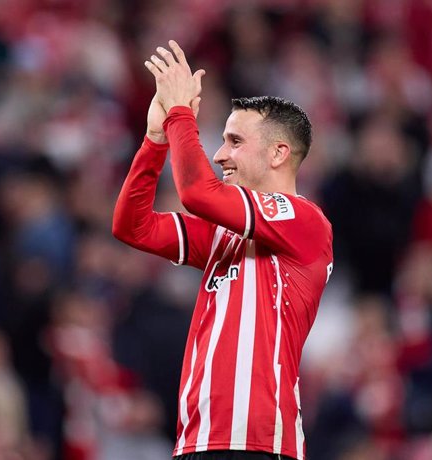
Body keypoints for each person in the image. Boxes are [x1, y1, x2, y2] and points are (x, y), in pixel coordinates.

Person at [112, 40, 333, 460]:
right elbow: (132, 226)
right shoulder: (224, 236)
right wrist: (156, 138)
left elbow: (196, 191)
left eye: (234, 141)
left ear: (278, 153)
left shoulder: (305, 221)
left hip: (259, 443)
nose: (218, 154)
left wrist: (180, 115)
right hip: (196, 440)